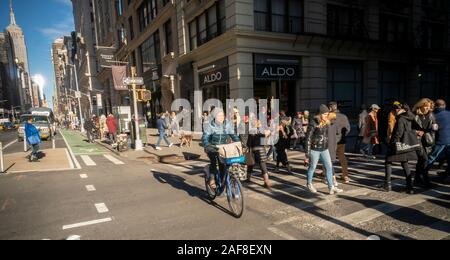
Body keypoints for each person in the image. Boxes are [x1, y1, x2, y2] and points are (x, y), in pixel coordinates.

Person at [305, 105, 344, 195]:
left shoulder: (326, 122)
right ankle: (309, 184)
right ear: (320, 114)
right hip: (315, 149)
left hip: (324, 148)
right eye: (325, 114)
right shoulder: (313, 123)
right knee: (312, 167)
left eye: (327, 114)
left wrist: (328, 122)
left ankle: (331, 187)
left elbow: (334, 125)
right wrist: (307, 153)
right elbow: (308, 138)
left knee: (329, 167)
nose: (327, 116)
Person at [384, 104, 418, 194]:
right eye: (396, 109)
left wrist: (393, 143)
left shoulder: (401, 119)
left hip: (398, 144)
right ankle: (410, 187)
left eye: (398, 109)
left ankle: (387, 184)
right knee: (405, 163)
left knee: (388, 161)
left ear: (403, 109)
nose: (396, 110)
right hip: (406, 144)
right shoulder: (410, 117)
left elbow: (398, 133)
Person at [202, 108, 241, 188]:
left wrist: (239, 143)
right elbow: (205, 137)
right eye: (219, 115)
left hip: (223, 148)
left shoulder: (227, 124)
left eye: (223, 115)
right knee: (214, 161)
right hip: (212, 146)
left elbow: (233, 135)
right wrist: (207, 145)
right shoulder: (210, 125)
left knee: (224, 164)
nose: (222, 117)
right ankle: (212, 178)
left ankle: (223, 181)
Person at [412, 98, 437, 189]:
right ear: (421, 105)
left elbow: (434, 127)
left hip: (427, 141)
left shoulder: (431, 115)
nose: (427, 108)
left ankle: (417, 179)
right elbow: (408, 128)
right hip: (417, 140)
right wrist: (416, 132)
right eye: (426, 106)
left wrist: (435, 128)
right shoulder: (414, 115)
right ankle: (427, 182)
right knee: (425, 160)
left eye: (429, 107)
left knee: (421, 161)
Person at [426, 99, 450, 182]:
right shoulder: (449, 113)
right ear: (445, 105)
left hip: (441, 140)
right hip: (449, 141)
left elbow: (432, 129)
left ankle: (423, 172)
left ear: (435, 106)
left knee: (432, 157)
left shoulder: (433, 115)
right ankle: (447, 175)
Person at [329, 102, 351, 184]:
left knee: (329, 158)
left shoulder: (330, 116)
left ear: (330, 108)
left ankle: (329, 174)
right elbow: (348, 128)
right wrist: (343, 136)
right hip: (342, 140)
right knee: (342, 157)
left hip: (332, 141)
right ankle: (345, 175)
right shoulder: (344, 116)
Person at [246, 119, 272, 189]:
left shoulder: (251, 132)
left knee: (250, 165)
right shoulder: (263, 131)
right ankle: (266, 182)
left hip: (254, 150)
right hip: (262, 151)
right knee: (263, 167)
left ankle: (248, 179)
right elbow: (265, 142)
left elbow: (249, 144)